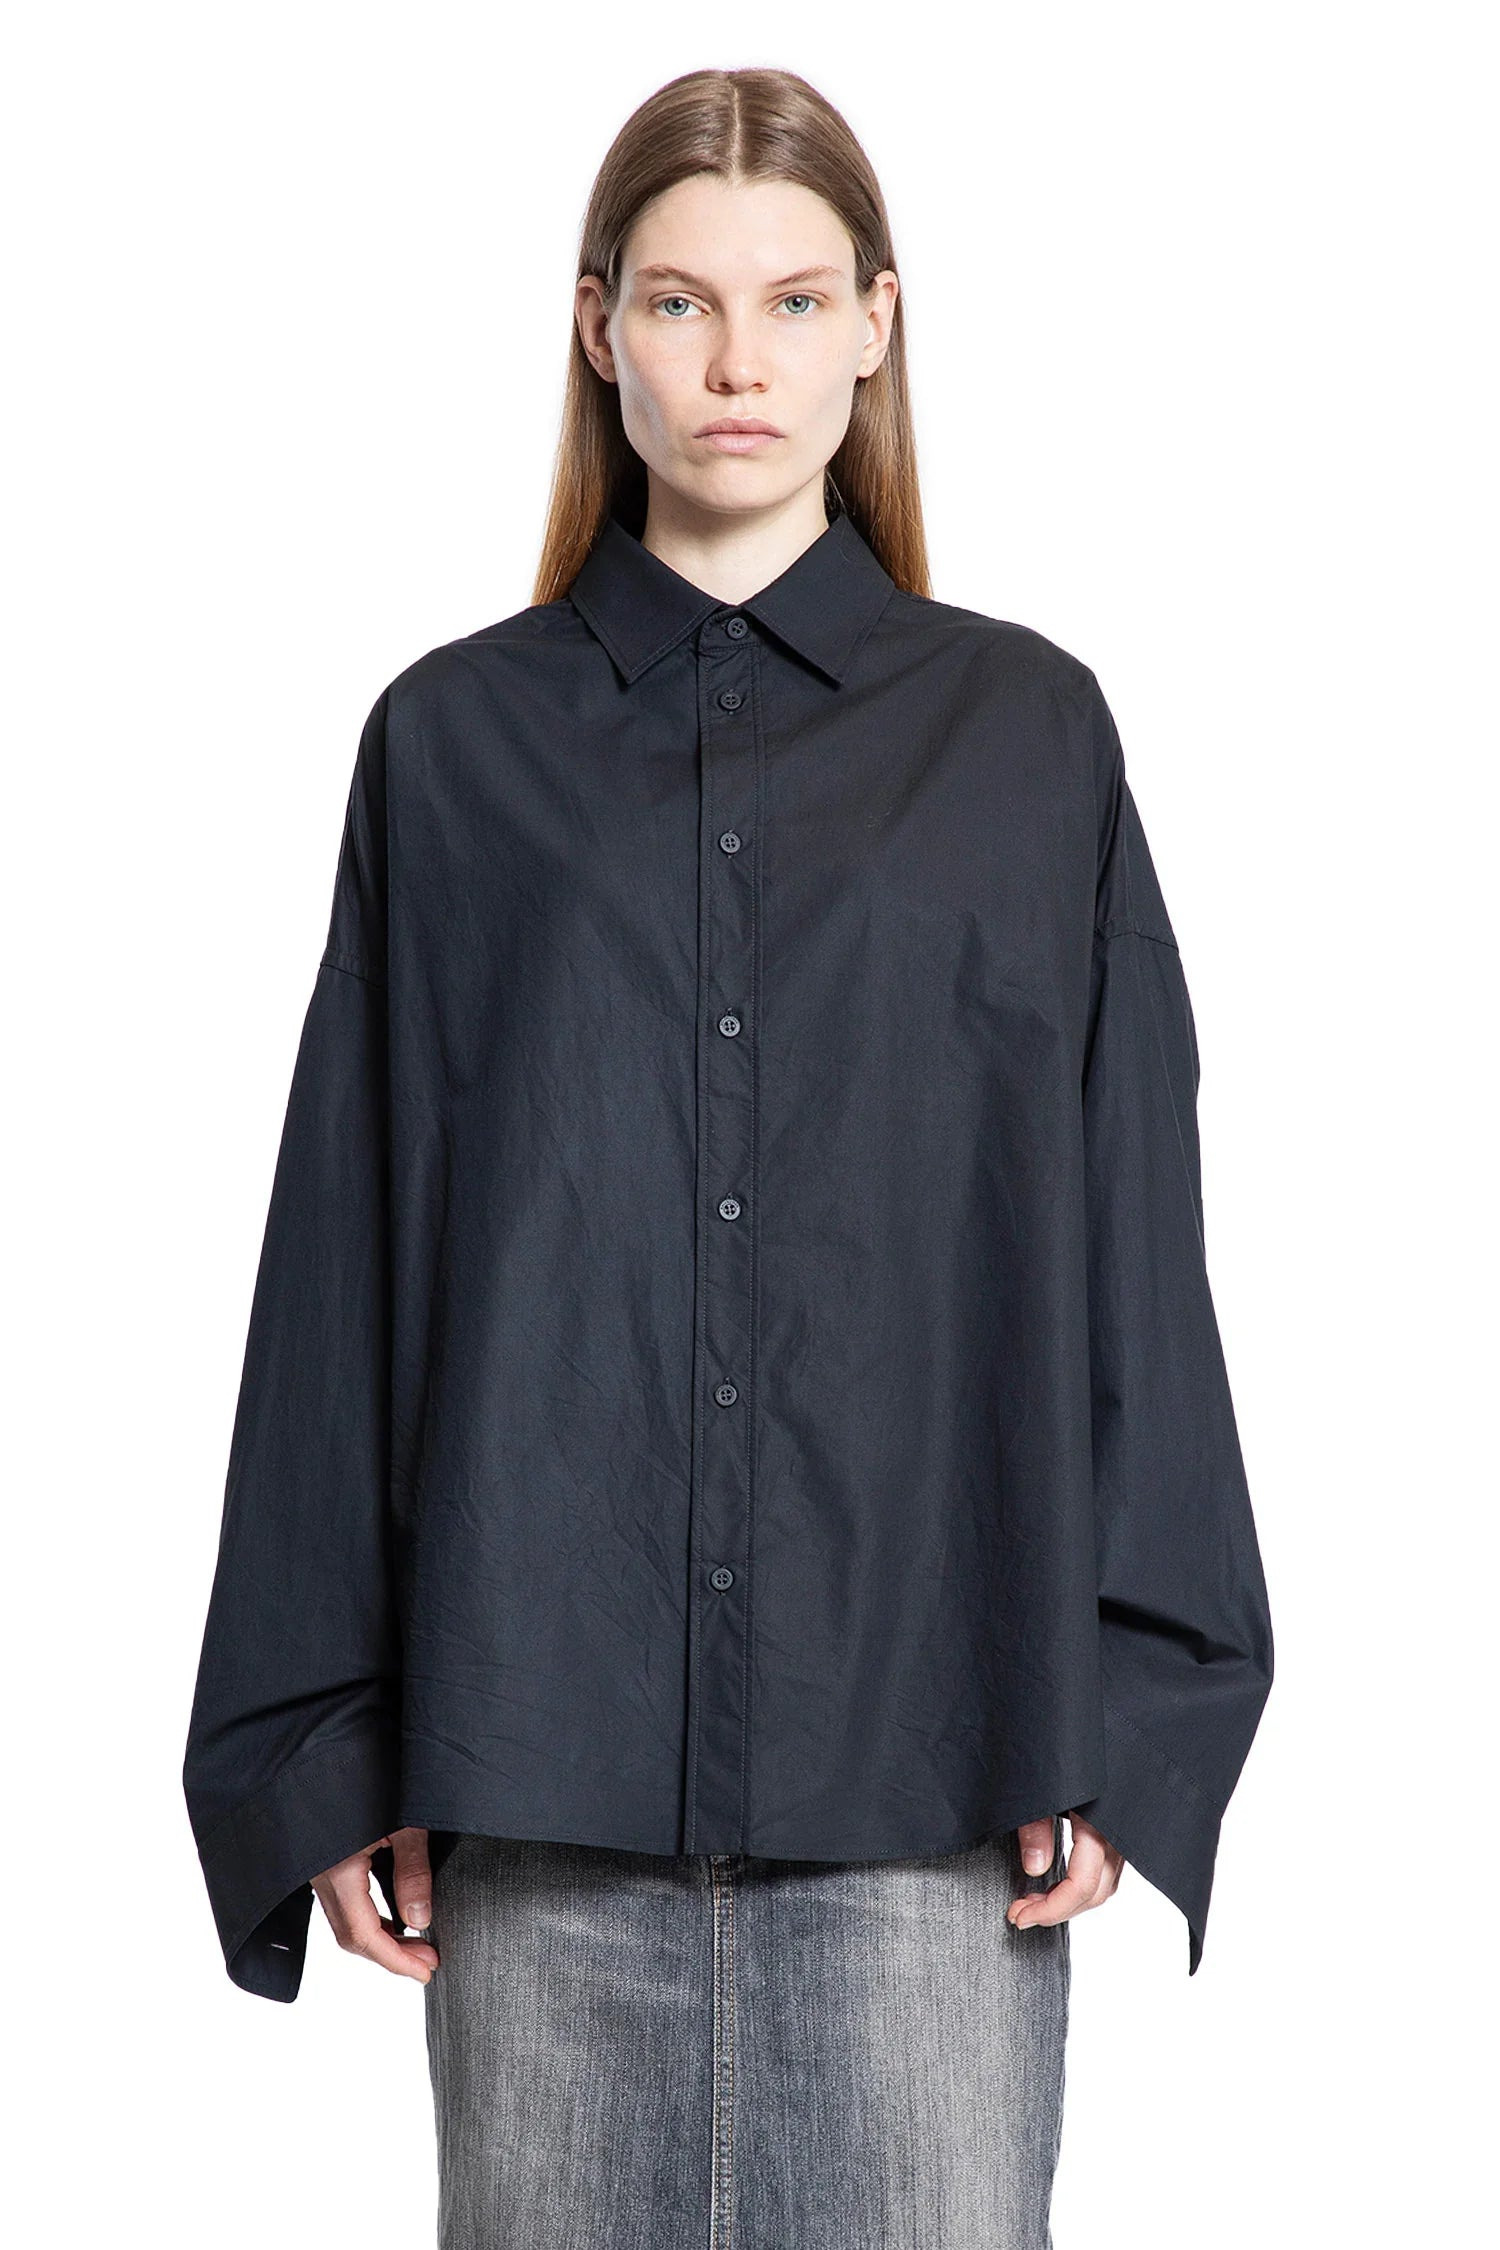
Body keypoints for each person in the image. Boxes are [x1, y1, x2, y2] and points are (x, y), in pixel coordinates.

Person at [183, 65, 1273, 2250]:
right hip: (537, 1802)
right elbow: (347, 1263)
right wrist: (326, 1737)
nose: (738, 362)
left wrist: (1137, 1704)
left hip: (933, 1798)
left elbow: (1129, 1247)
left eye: (791, 300)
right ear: (600, 328)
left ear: (878, 322)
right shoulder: (450, 749)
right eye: (681, 302)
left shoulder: (1027, 741)